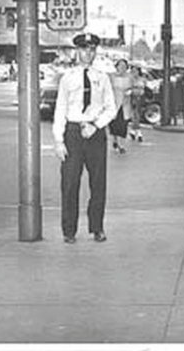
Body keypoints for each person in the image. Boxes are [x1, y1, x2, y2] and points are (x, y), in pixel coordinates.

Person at [52, 33, 117, 244]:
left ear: (95, 52)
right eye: (84, 49)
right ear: (76, 51)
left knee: (98, 183)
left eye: (91, 50)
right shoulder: (67, 78)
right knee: (70, 183)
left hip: (95, 133)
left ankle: (97, 228)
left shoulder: (103, 78)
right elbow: (60, 109)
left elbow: (111, 108)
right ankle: (68, 231)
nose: (88, 54)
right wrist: (59, 141)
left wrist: (96, 125)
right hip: (73, 132)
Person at [109, 58, 133, 154]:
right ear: (116, 66)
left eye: (124, 66)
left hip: (125, 104)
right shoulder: (112, 77)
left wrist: (130, 91)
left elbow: (132, 87)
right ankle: (115, 140)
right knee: (114, 125)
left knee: (123, 125)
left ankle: (121, 144)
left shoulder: (129, 77)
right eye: (120, 65)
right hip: (114, 103)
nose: (122, 68)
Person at [128, 65, 146, 143]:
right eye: (132, 71)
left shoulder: (142, 79)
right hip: (133, 97)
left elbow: (144, 87)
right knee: (135, 114)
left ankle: (133, 130)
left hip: (141, 97)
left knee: (137, 113)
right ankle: (138, 132)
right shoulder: (130, 79)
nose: (134, 73)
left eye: (135, 71)